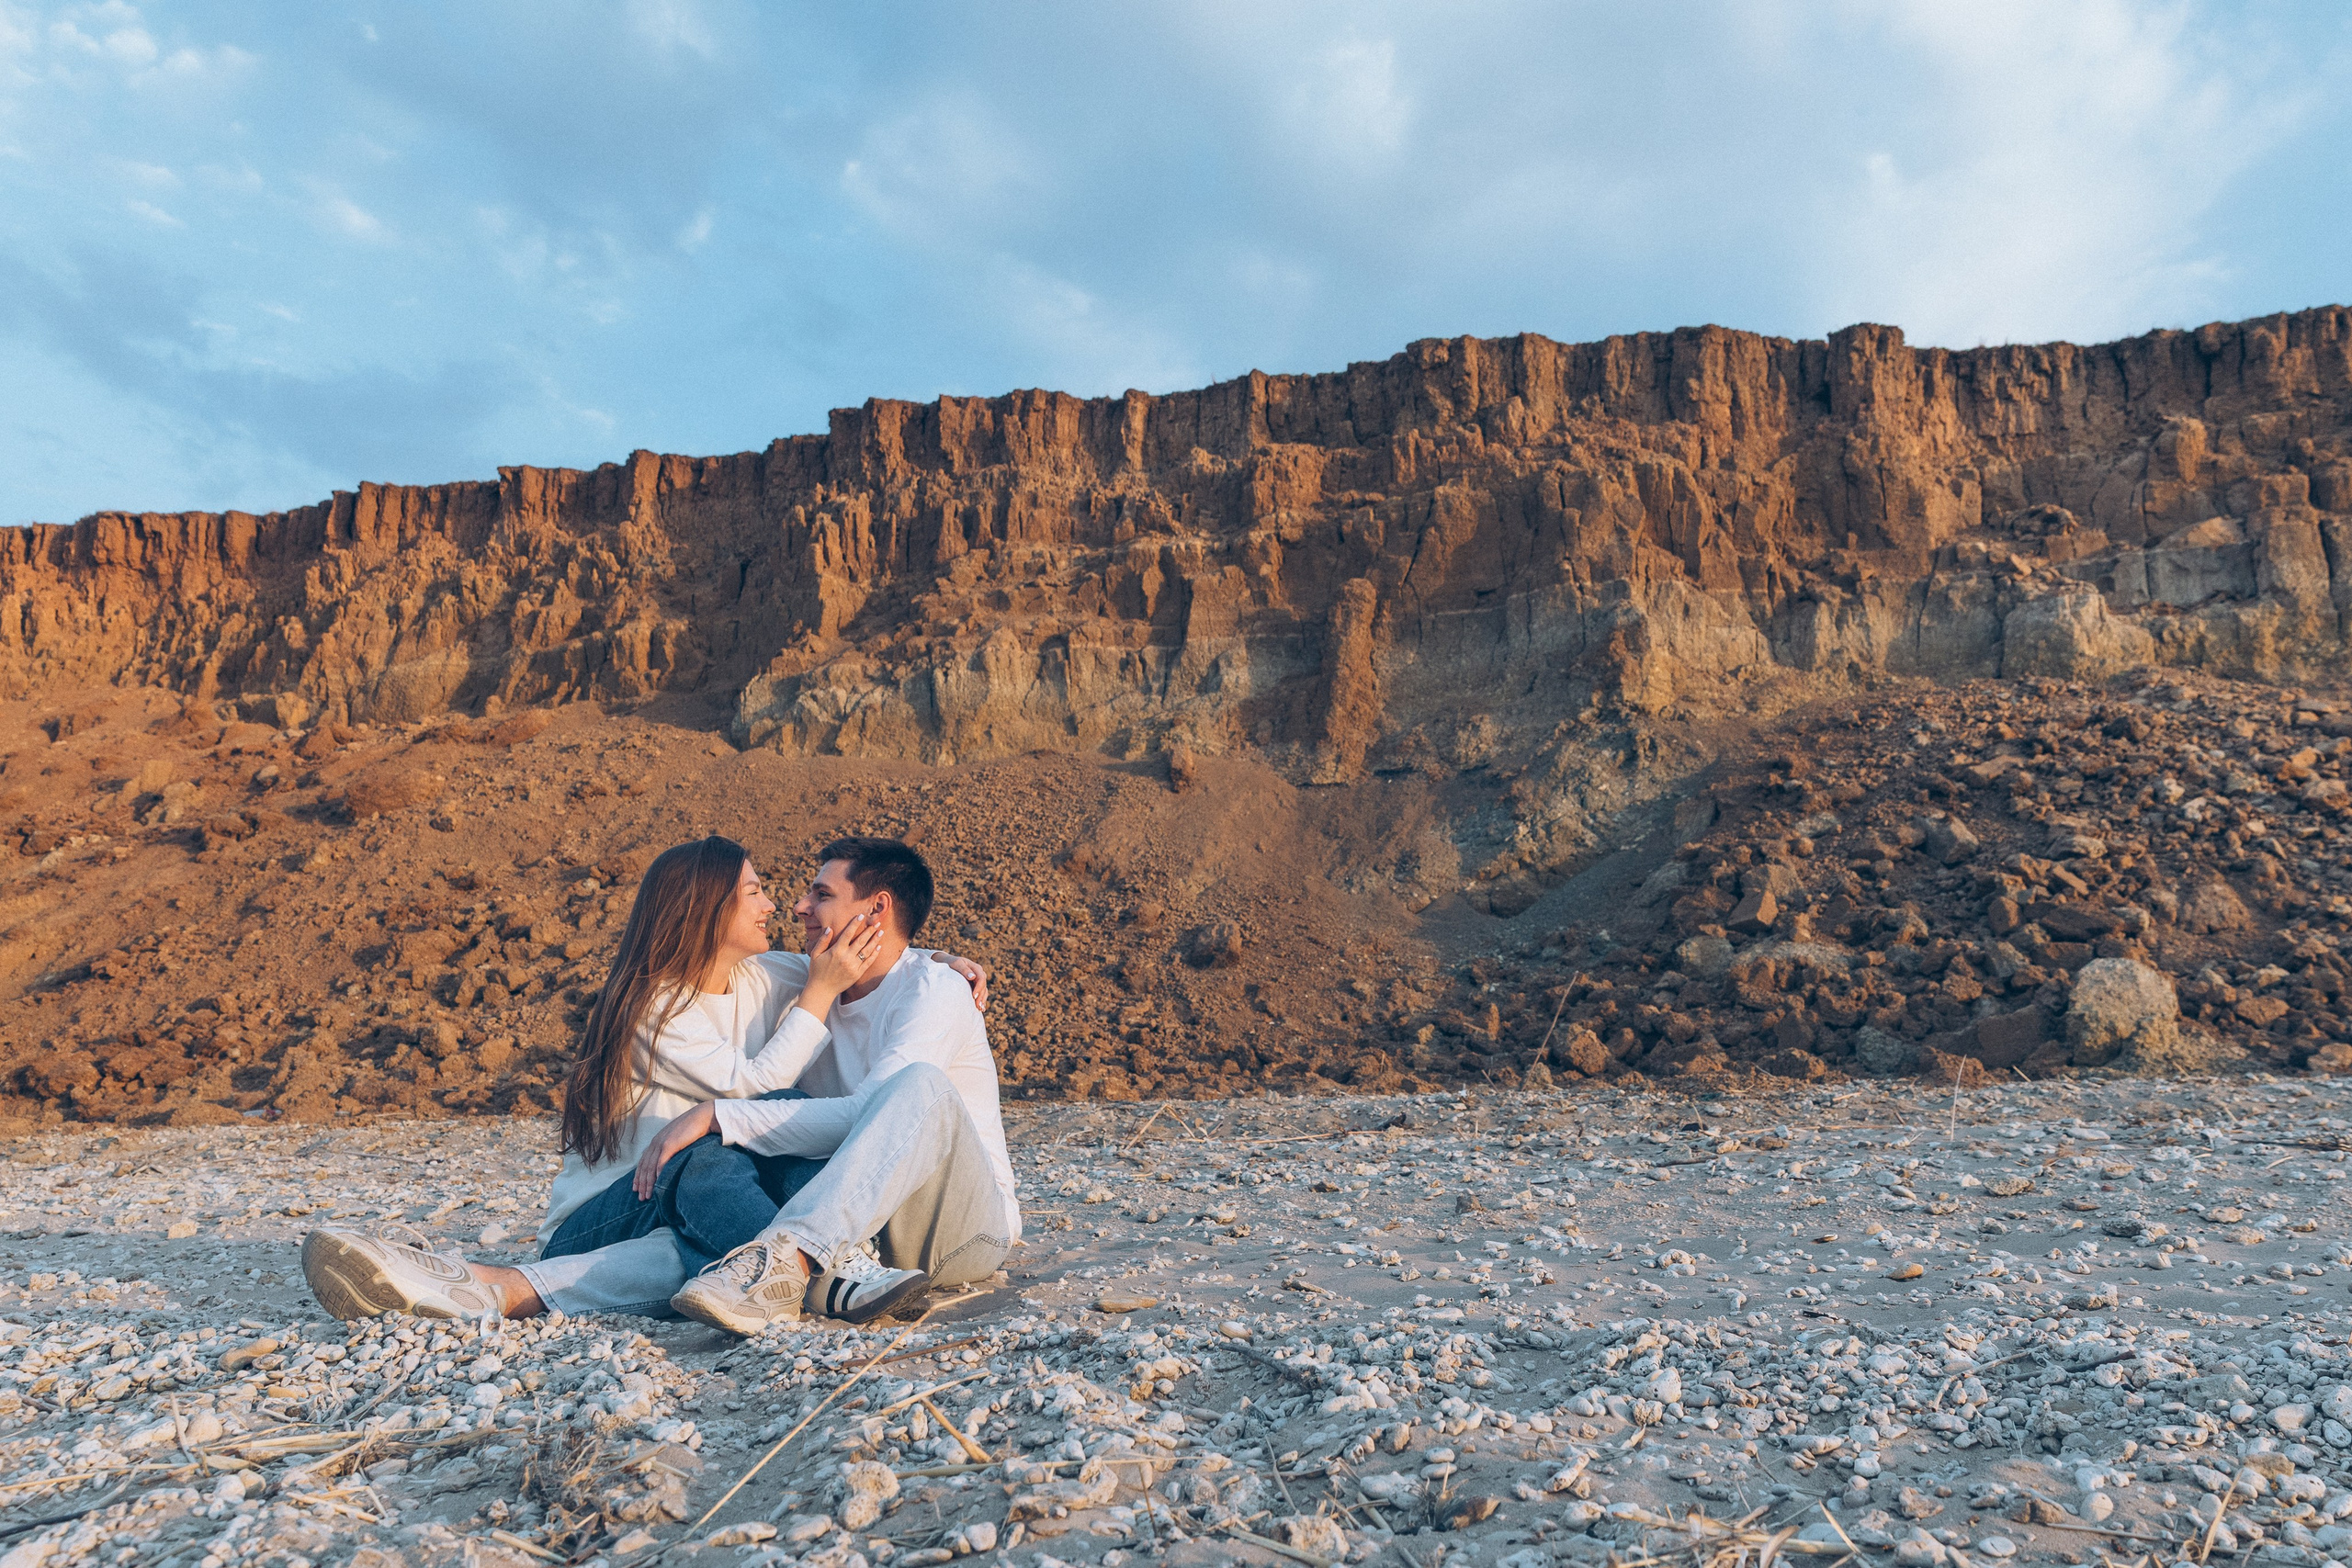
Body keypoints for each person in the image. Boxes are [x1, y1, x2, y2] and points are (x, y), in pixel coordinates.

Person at [296, 834, 989, 1322]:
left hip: (688, 1203)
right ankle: (830, 1271)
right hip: (610, 1211)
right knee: (743, 1132)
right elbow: (754, 1083)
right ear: (707, 908)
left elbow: (869, 956)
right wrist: (816, 998)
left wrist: (936, 959)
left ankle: (482, 1288)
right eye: (755, 891)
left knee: (703, 1255)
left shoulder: (765, 975)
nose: (777, 905)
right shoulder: (654, 1006)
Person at [652, 836, 1021, 1333]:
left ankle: (789, 1262)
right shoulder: (809, 986)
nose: (799, 907)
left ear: (877, 909)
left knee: (919, 1085)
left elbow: (867, 1112)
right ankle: (803, 1279)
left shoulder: (937, 991)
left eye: (822, 895)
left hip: (959, 1231)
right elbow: (710, 960)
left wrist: (718, 1114)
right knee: (751, 1141)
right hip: (860, 1233)